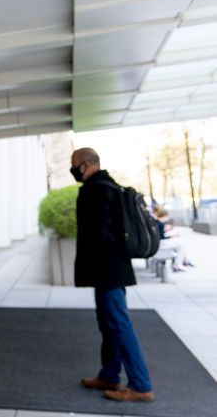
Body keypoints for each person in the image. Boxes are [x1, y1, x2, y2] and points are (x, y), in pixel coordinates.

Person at [71, 147, 154, 403]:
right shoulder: (110, 186)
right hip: (111, 269)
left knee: (119, 324)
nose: (72, 169)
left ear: (86, 165)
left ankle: (141, 385)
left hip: (107, 270)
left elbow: (100, 232)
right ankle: (109, 375)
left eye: (74, 164)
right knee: (109, 324)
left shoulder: (97, 190)